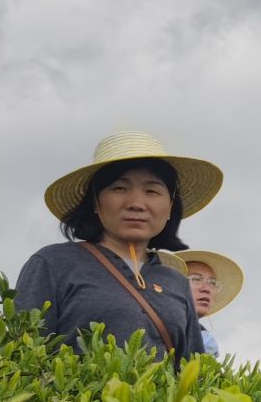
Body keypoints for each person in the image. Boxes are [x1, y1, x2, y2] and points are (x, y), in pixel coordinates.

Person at [15, 131, 220, 361]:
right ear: (95, 201)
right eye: (119, 188)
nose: (136, 203)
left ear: (170, 207)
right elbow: (22, 358)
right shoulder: (53, 264)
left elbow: (191, 369)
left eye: (152, 191)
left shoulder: (176, 282)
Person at [173, 249, 243, 357]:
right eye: (196, 279)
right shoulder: (150, 327)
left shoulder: (205, 340)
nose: (207, 288)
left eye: (212, 282)